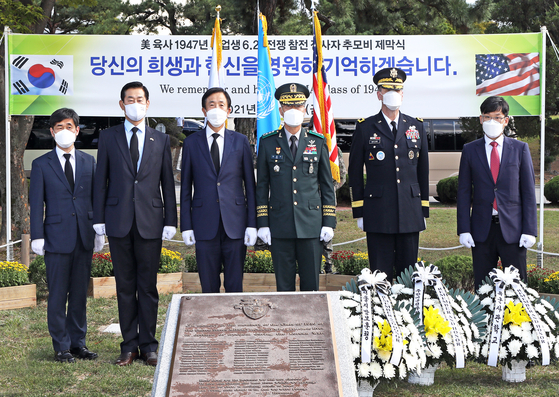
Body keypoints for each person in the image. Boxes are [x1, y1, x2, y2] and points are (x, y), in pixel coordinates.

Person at [93, 81, 177, 367]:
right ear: (121, 105)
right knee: (125, 286)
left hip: (151, 222)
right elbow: (100, 182)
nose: (135, 103)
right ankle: (129, 346)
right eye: (130, 99)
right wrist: (99, 219)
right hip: (118, 222)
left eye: (140, 99)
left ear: (148, 103)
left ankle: (149, 345)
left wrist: (171, 219)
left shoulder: (161, 139)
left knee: (148, 286)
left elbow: (167, 182)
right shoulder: (108, 137)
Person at [30, 108, 103, 363]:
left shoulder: (88, 161)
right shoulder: (41, 164)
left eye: (69, 126)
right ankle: (61, 346)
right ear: (51, 132)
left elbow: (94, 198)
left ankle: (78, 344)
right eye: (59, 127)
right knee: (58, 294)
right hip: (56, 238)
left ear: (77, 130)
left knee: (79, 294)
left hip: (83, 236)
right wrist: (36, 236)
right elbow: (36, 203)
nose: (64, 131)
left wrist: (98, 229)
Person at [348, 67, 429, 282]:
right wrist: (359, 210)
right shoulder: (365, 128)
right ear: (378, 94)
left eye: (397, 89)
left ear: (403, 94)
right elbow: (354, 172)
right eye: (387, 89)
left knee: (408, 276)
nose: (393, 93)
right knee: (379, 275)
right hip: (378, 212)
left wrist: (423, 208)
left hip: (410, 211)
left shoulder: (416, 126)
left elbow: (422, 170)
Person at [256, 83, 337, 291]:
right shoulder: (267, 142)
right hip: (280, 224)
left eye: (298, 106)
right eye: (288, 106)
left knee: (311, 285)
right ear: (281, 109)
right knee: (284, 286)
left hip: (311, 225)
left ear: (305, 109)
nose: (294, 110)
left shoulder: (317, 142)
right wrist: (262, 222)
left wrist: (329, 221)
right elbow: (262, 187)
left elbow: (327, 186)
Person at [180, 87, 257, 292]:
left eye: (221, 105)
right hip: (204, 224)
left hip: (235, 224)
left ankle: (234, 324)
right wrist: (186, 225)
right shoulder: (191, 143)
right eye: (211, 105)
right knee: (208, 285)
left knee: (234, 285)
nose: (216, 109)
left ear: (229, 110)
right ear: (204, 111)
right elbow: (186, 188)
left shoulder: (240, 141)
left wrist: (252, 224)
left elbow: (250, 186)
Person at [457, 96, 537, 288]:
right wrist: (463, 228)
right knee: (483, 286)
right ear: (480, 119)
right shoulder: (470, 150)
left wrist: (530, 230)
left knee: (516, 287)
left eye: (497, 117)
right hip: (482, 230)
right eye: (487, 117)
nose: (492, 122)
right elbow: (464, 192)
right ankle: (485, 318)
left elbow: (528, 192)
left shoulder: (520, 149)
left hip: (513, 230)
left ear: (506, 120)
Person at [322, 144, 346, 274]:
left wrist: (328, 190)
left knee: (327, 235)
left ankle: (328, 265)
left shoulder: (334, 149)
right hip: (306, 200)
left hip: (328, 201)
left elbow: (342, 176)